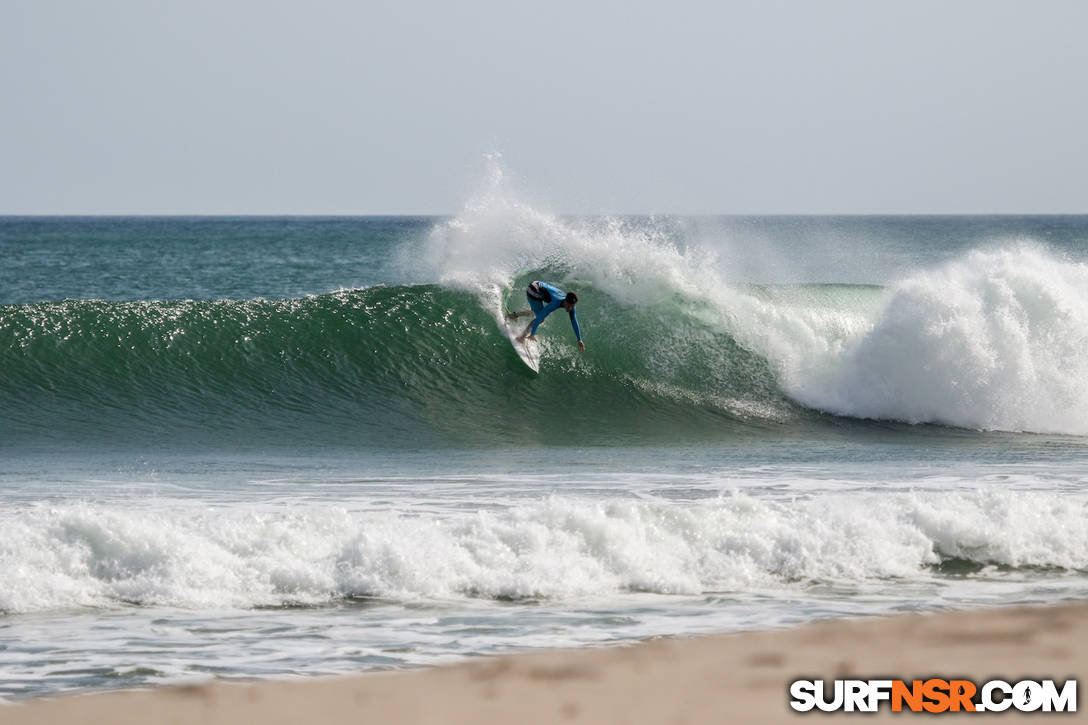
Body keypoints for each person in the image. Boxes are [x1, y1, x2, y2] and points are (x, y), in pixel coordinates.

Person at [507, 280, 585, 351]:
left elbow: (574, 321)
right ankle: (521, 338)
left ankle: (514, 315)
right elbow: (539, 318)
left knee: (536, 312)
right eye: (569, 306)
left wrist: (579, 339)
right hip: (533, 289)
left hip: (539, 287)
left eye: (572, 306)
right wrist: (532, 334)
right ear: (565, 301)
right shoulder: (555, 303)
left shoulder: (570, 306)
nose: (570, 308)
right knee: (540, 318)